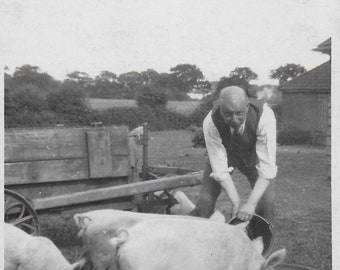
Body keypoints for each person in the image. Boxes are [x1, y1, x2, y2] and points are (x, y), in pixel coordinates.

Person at [190, 86, 277, 224]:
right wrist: (236, 202)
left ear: (247, 106)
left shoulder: (265, 117)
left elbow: (267, 169)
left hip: (254, 157)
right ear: (221, 109)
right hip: (225, 154)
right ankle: (198, 238)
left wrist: (251, 204)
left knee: (266, 202)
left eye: (239, 113)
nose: (234, 120)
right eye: (228, 114)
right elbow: (219, 169)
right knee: (205, 200)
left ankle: (261, 240)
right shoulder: (211, 122)